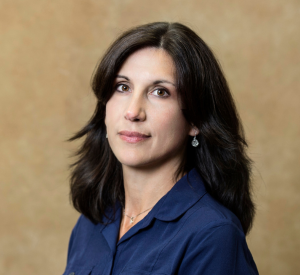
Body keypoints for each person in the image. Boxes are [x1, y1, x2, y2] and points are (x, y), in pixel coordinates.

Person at [63, 22, 259, 275]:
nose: (133, 112)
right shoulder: (92, 221)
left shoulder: (213, 235)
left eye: (160, 92)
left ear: (195, 120)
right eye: (122, 87)